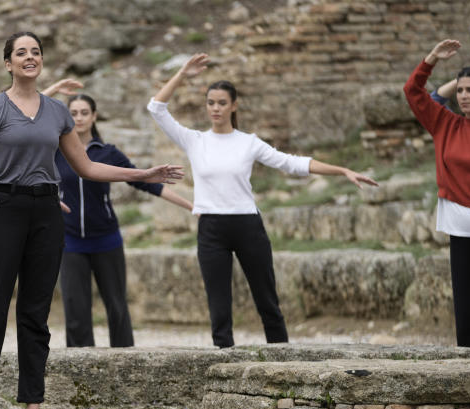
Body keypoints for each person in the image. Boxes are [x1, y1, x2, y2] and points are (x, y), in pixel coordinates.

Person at [0, 31, 182, 409]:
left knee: (35, 315)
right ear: (8, 63)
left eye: (35, 52)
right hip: (1, 209)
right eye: (20, 53)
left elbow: (87, 167)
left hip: (45, 212)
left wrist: (142, 172)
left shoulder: (58, 112)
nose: (29, 57)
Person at [147, 53, 378, 348]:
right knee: (219, 308)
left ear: (234, 105)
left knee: (267, 301)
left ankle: (282, 360)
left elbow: (292, 163)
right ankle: (224, 368)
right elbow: (156, 108)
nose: (215, 109)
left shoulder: (248, 142)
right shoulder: (195, 140)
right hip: (211, 229)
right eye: (210, 103)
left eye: (221, 103)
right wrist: (181, 74)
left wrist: (342, 170)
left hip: (247, 226)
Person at [42, 85, 193, 347]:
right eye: (73, 113)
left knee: (117, 307)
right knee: (76, 310)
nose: (78, 117)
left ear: (94, 116)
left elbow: (146, 182)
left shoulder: (108, 152)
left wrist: (192, 207)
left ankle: (124, 360)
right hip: (69, 241)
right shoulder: (55, 151)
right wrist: (54, 88)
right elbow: (28, 113)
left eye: (84, 112)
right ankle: (80, 369)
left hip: (106, 240)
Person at [404, 39, 470, 357]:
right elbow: (413, 92)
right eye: (461, 91)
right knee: (469, 318)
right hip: (463, 230)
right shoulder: (445, 125)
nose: (464, 96)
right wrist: (431, 60)